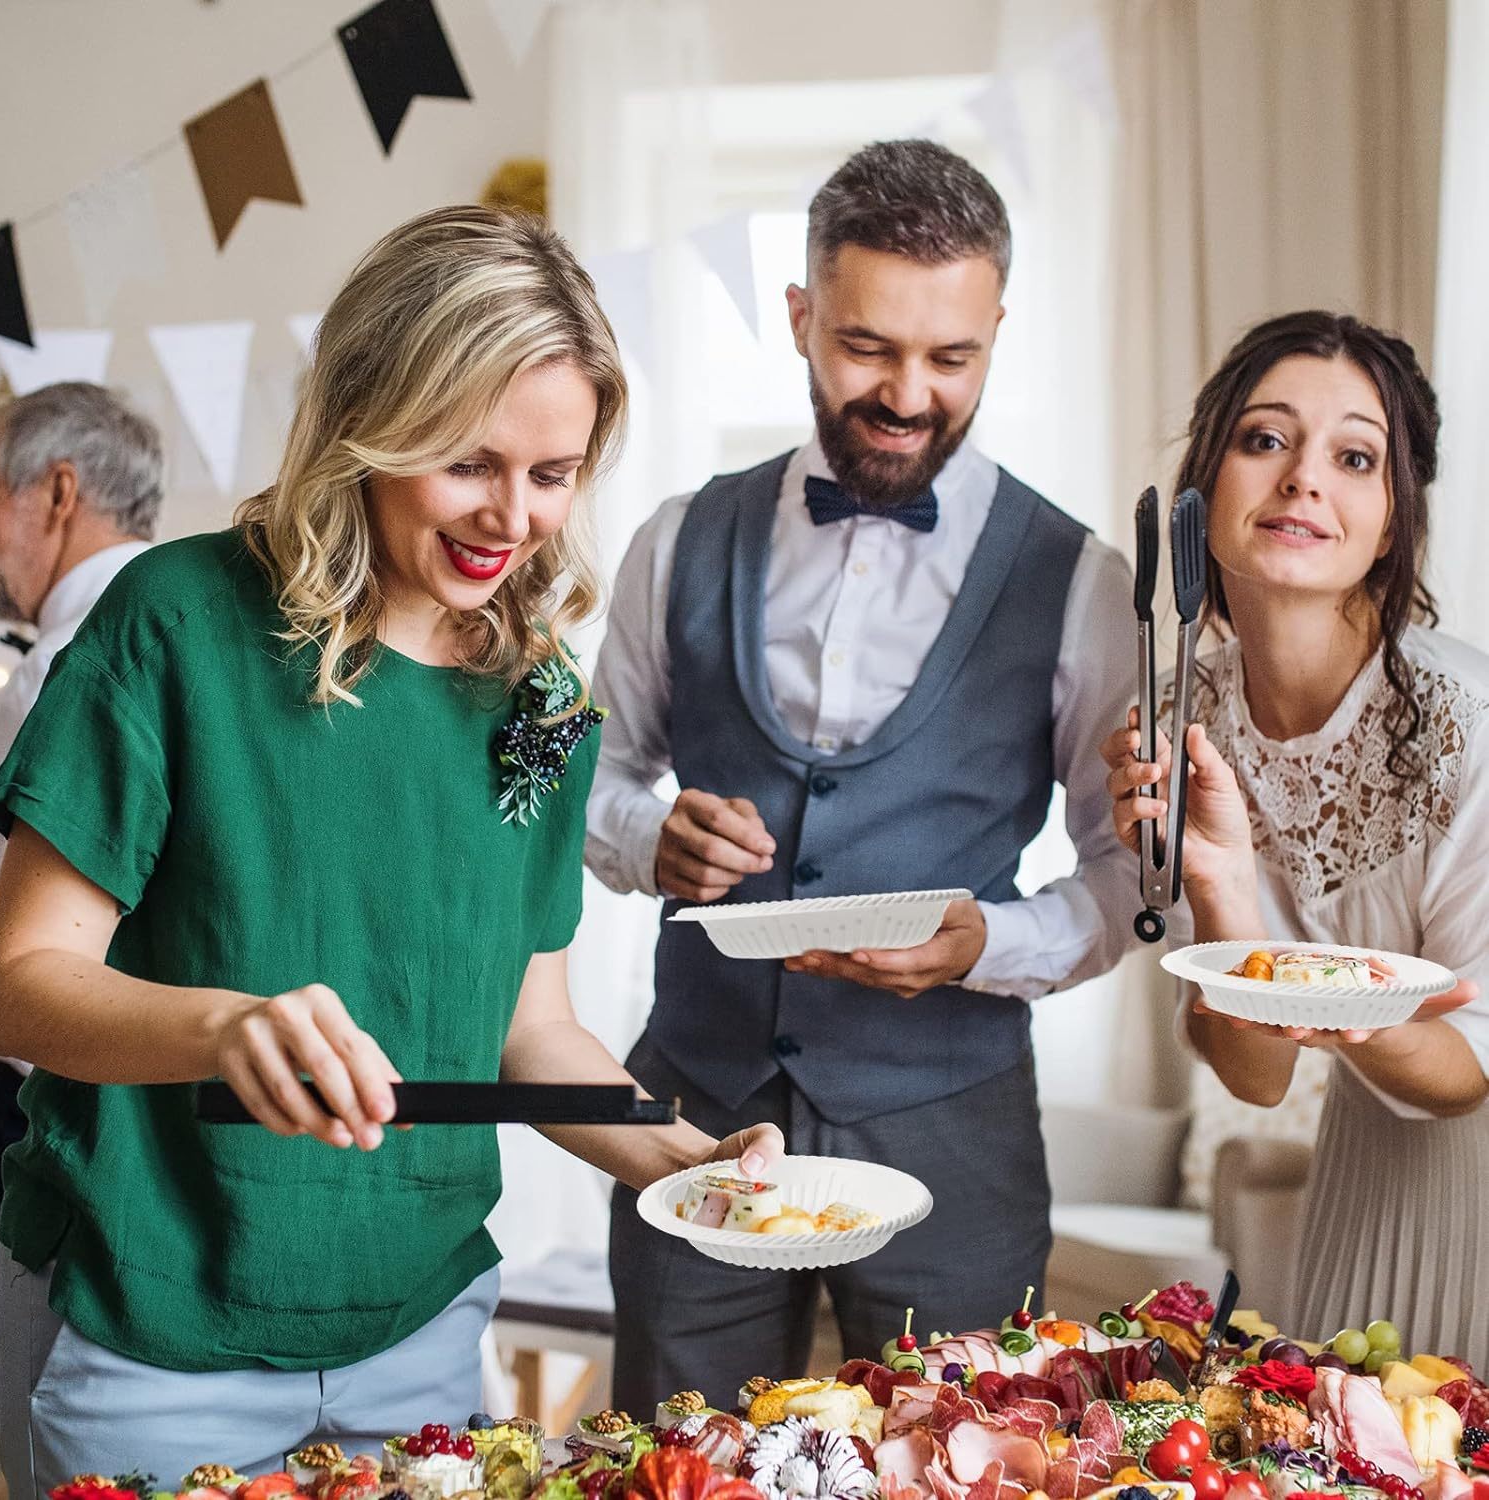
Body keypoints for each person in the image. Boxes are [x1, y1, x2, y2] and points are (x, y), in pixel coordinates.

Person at [0, 206, 781, 1493]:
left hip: (420, 1334)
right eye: (469, 462)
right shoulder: (174, 624)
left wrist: (686, 1161)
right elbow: (16, 976)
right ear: (370, 417)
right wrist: (223, 1029)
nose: (512, 519)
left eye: (553, 472)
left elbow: (530, 1037)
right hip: (153, 1328)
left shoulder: (543, 704)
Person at [586, 139, 1136, 1411]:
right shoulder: (679, 538)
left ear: (998, 329)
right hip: (693, 1107)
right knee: (676, 1463)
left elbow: (1128, 879)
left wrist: (984, 943)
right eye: (867, 348)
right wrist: (648, 838)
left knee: (968, 1456)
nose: (906, 394)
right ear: (800, 318)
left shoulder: (1082, 579)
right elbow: (590, 778)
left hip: (954, 1122)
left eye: (952, 359)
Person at [1104, 310, 1489, 1365]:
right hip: (1360, 1181)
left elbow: (1466, 1069)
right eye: (1265, 439)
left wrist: (1316, 994)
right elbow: (1259, 1077)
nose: (1304, 479)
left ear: (1392, 513)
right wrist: (1223, 888)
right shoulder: (1181, 708)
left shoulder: (1470, 723)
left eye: (1355, 457)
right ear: (1206, 482)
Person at [0, 380, 162, 1411]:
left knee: (40, 1400)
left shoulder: (68, 659)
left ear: (56, 493)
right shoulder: (202, 633)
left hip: (44, 1094)